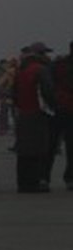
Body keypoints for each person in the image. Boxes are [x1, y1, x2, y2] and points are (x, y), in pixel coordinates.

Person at [14, 42, 56, 193]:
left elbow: (14, 94)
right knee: (39, 149)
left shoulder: (21, 70)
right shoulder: (41, 70)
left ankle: (23, 182)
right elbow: (48, 93)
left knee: (24, 150)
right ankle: (35, 182)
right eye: (45, 53)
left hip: (23, 114)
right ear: (40, 55)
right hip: (38, 114)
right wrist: (54, 108)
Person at [48, 42, 73, 191]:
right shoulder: (59, 65)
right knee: (72, 147)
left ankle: (44, 177)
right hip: (69, 109)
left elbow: (49, 85)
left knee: (51, 145)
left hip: (58, 108)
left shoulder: (58, 65)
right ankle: (70, 178)